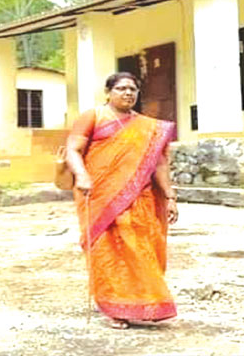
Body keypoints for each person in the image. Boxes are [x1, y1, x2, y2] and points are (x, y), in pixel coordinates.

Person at [65, 72, 179, 329]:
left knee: (141, 250)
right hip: (100, 194)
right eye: (121, 88)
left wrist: (170, 196)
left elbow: (160, 164)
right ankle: (114, 306)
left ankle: (145, 302)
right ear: (108, 92)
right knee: (108, 251)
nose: (128, 93)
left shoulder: (148, 127)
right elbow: (73, 149)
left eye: (133, 89)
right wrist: (81, 175)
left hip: (141, 198)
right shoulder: (93, 116)